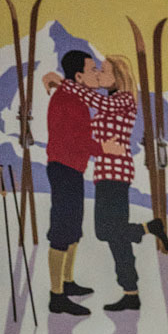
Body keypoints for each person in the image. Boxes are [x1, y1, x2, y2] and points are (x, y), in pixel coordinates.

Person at [85, 55, 148, 313]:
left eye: (104, 69)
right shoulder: (111, 102)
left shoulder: (123, 100)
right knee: (111, 233)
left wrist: (67, 85)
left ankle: (130, 290)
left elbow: (95, 100)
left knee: (111, 232)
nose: (99, 72)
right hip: (105, 172)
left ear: (117, 77)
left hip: (116, 173)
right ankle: (130, 292)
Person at [40, 50, 97, 317]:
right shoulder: (70, 99)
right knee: (63, 230)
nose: (96, 74)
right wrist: (106, 148)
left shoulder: (74, 97)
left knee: (73, 228)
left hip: (72, 169)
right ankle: (56, 295)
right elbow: (80, 138)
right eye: (92, 69)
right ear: (78, 76)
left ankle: (67, 281)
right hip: (64, 169)